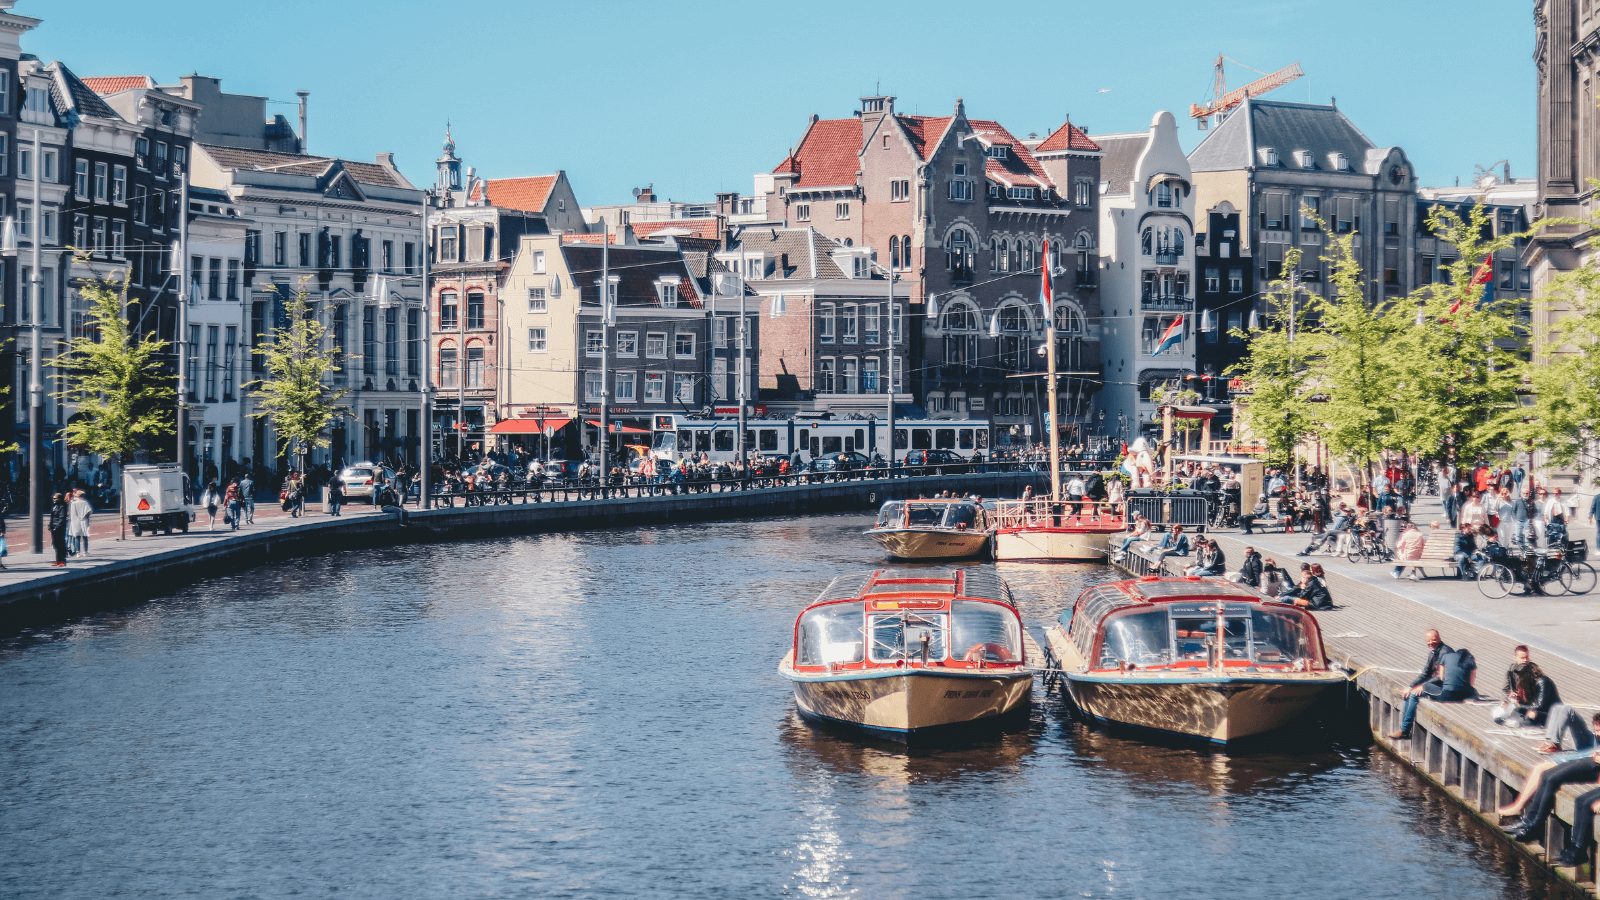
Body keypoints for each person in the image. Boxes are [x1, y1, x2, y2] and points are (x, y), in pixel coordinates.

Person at [1388, 630, 1472, 741]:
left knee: (1414, 695)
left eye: (1433, 640)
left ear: (1439, 638)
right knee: (1409, 693)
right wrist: (1411, 686)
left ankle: (1404, 731)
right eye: (1428, 641)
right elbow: (1425, 673)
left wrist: (1424, 686)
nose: (1431, 643)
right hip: (1440, 685)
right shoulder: (1433, 652)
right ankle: (1403, 728)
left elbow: (1442, 677)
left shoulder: (1446, 653)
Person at [1495, 645, 1560, 728]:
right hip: (1529, 704)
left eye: (1527, 657)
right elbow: (1506, 689)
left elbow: (1539, 705)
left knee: (1530, 714)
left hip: (1547, 711)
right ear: (1515, 658)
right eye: (1522, 658)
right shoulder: (1512, 671)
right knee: (1509, 709)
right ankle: (1516, 720)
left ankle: (1518, 722)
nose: (1525, 660)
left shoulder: (1541, 680)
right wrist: (1507, 698)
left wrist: (1519, 705)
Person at [67, 489, 92, 557]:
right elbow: (88, 512)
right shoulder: (85, 503)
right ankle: (85, 552)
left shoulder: (73, 503)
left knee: (77, 537)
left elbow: (72, 514)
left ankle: (78, 553)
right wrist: (86, 519)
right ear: (82, 496)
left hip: (75, 521)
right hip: (84, 521)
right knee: (84, 536)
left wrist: (73, 521)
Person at [48, 492, 69, 567]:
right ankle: (58, 561)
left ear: (59, 499)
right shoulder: (54, 506)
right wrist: (50, 525)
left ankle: (62, 561)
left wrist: (57, 527)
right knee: (55, 544)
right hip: (54, 528)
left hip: (59, 528)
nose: (54, 500)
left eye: (55, 498)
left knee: (60, 544)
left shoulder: (62, 507)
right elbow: (52, 517)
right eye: (53, 498)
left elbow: (62, 518)